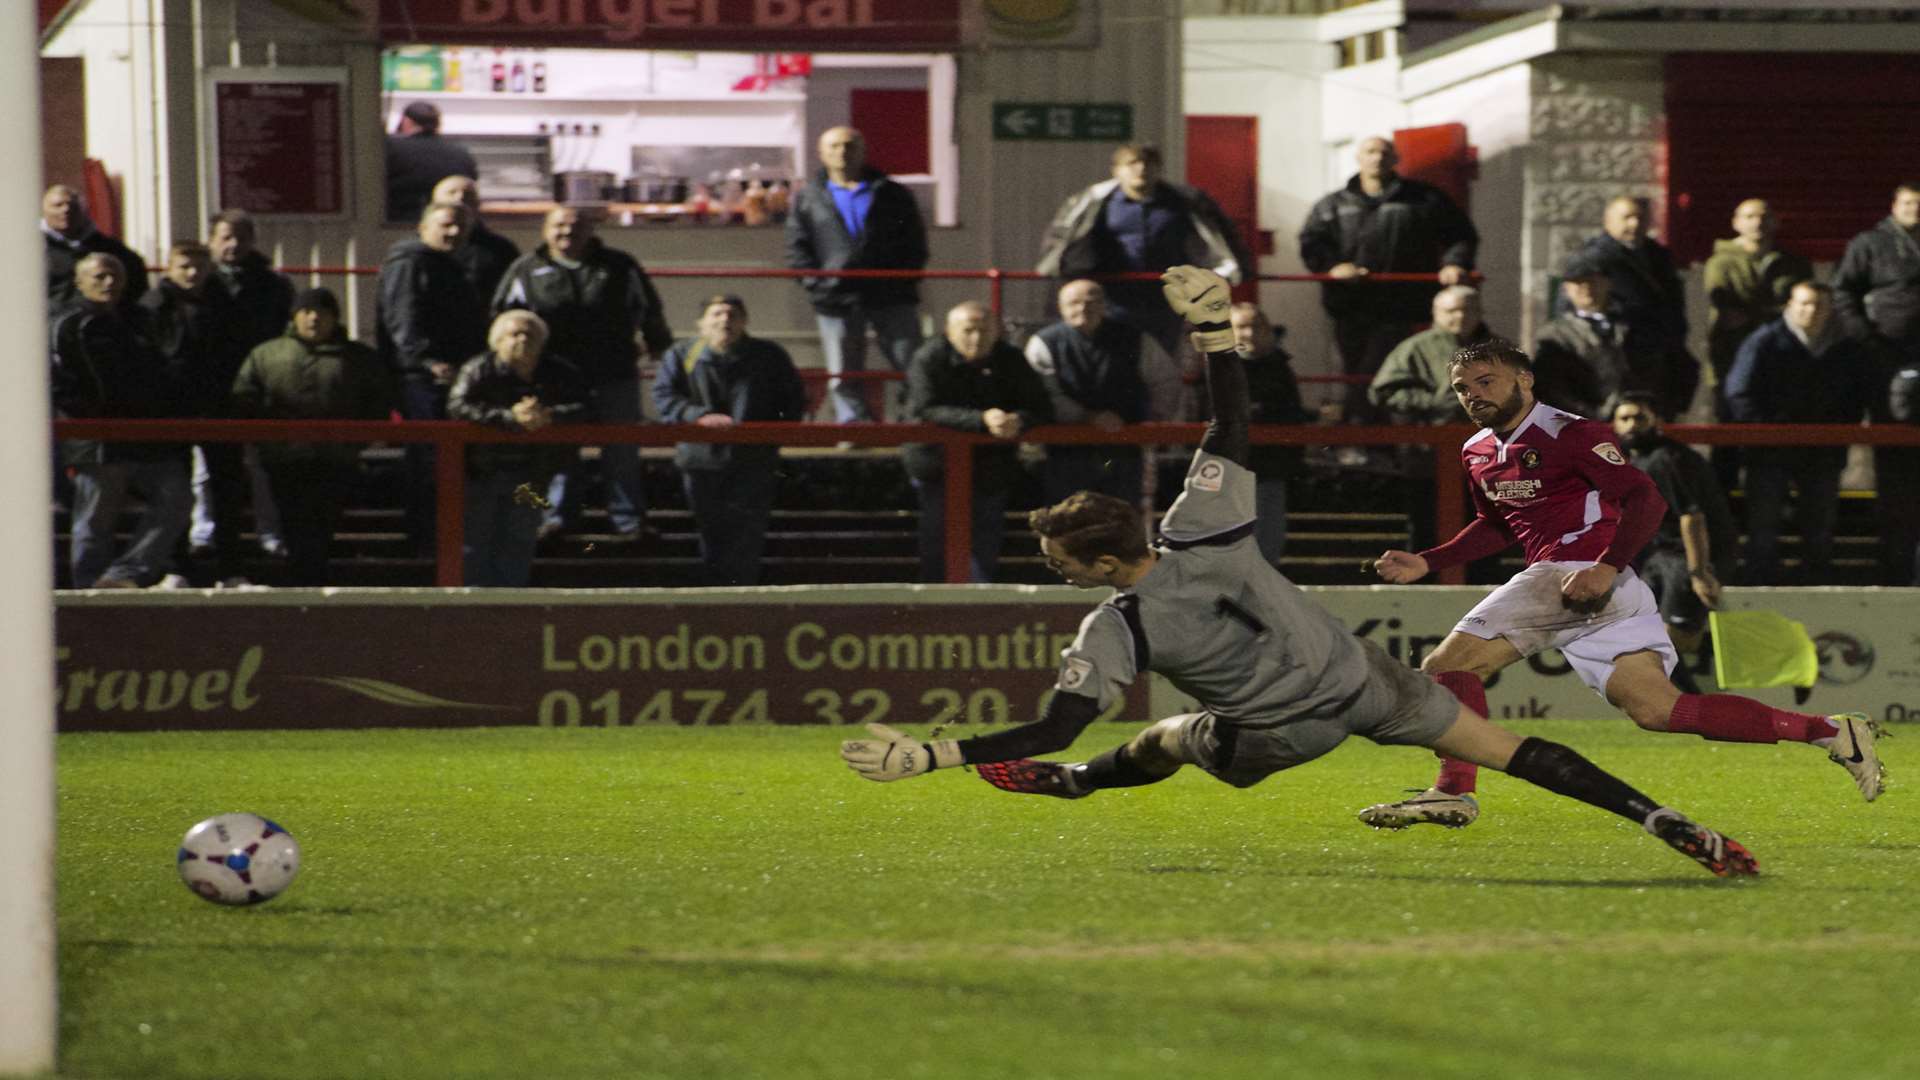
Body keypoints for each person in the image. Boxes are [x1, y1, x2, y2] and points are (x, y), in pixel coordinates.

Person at [841, 266, 1763, 880]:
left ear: (1099, 565)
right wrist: (1215, 336)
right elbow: (1231, 428)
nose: (1055, 570)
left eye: (1058, 561)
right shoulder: (1209, 526)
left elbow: (1054, 720)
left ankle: (1082, 785)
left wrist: (931, 755)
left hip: (1287, 732)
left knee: (1167, 738)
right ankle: (1666, 822)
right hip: (1363, 681)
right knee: (1515, 752)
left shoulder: (1112, 626)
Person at [1357, 338, 1883, 832]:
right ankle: (1830, 731)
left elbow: (1646, 500)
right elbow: (1498, 525)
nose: (1474, 395)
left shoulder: (1571, 432)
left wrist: (1606, 566)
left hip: (1577, 572)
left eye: (1486, 381)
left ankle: (1453, 790)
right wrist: (1430, 560)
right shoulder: (1476, 450)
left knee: (1448, 666)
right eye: (1462, 388)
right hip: (1590, 587)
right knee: (1660, 711)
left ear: (1525, 380)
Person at [494, 205, 673, 542]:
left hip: (614, 371)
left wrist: (658, 343)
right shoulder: (525, 269)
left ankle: (628, 521)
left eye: (576, 226)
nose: (567, 233)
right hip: (554, 378)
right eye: (559, 226)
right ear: (545, 230)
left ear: (591, 230)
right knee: (559, 450)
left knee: (621, 448)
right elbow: (503, 317)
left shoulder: (620, 266)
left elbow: (648, 307)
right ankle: (557, 518)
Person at [1298, 136, 1477, 424]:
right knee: (1358, 372)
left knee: (1396, 372)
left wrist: (1455, 263)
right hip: (1350, 307)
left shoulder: (1424, 199)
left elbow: (1460, 235)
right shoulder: (1331, 205)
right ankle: (1369, 445)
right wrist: (1333, 267)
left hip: (1405, 306)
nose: (1377, 158)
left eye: (1384, 152)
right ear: (1358, 158)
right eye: (1370, 152)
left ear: (1395, 159)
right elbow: (1312, 243)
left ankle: (1387, 443)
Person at [230, 288, 393, 586]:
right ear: (294, 316)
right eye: (306, 311)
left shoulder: (358, 358)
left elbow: (377, 400)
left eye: (322, 312)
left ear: (335, 318)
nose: (314, 318)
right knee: (291, 518)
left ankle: (313, 576)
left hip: (336, 457)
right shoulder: (267, 354)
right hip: (283, 457)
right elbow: (245, 397)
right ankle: (301, 577)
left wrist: (357, 440)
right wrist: (265, 435)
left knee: (325, 519)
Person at [1037, 143, 1252, 364]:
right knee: (1116, 361)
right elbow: (1063, 240)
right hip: (1113, 302)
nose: (1141, 168)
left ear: (1159, 169)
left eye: (1148, 163)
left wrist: (1234, 269)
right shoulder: (1095, 204)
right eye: (1132, 163)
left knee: (1165, 363)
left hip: (1166, 303)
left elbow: (1223, 236)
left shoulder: (1186, 202)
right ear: (1116, 170)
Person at [50, 252, 190, 589]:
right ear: (79, 282)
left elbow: (160, 371)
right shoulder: (68, 324)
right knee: (96, 518)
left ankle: (123, 574)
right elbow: (58, 381)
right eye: (99, 276)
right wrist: (90, 417)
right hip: (96, 438)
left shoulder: (139, 320)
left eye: (115, 276)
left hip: (144, 434)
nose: (109, 282)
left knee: (177, 497)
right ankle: (87, 588)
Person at [1724, 281, 1877, 586]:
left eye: (1819, 305)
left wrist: (1837, 429)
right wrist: (1765, 431)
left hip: (1823, 451)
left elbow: (1857, 396)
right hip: (1769, 452)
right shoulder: (1764, 342)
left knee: (1819, 525)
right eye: (1804, 304)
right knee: (1764, 524)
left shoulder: (1844, 349)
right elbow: (1738, 392)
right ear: (1789, 306)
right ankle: (1759, 586)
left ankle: (1816, 584)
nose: (1812, 311)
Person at [652, 295, 808, 586]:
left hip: (753, 460)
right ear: (701, 323)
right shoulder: (681, 354)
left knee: (748, 533)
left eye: (733, 314)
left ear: (745, 321)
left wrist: (770, 435)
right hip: (700, 459)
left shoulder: (768, 355)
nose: (725, 320)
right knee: (710, 531)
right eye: (717, 313)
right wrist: (698, 416)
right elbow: (664, 396)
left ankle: (741, 594)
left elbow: (792, 399)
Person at [784, 125, 928, 423]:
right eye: (834, 146)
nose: (842, 152)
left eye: (849, 145)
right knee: (843, 368)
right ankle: (854, 424)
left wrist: (905, 278)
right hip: (835, 296)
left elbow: (914, 241)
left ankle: (915, 420)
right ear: (821, 153)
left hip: (891, 293)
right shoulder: (809, 197)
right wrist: (815, 283)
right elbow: (797, 246)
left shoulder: (893, 193)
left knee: (909, 361)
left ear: (863, 151)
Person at [902, 301, 1053, 583]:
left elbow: (1040, 406)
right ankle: (935, 602)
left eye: (984, 330)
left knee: (986, 536)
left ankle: (980, 600)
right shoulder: (929, 357)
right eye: (968, 330)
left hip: (992, 467)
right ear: (949, 332)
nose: (977, 338)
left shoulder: (1010, 359)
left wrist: (1017, 420)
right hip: (936, 465)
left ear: (997, 332)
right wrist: (982, 420)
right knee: (937, 536)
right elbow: (925, 407)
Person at [447, 311, 592, 587]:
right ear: (498, 340)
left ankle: (511, 604)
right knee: (476, 541)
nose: (523, 339)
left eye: (531, 335)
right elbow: (458, 407)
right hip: (482, 470)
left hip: (532, 472)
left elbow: (584, 406)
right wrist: (509, 417)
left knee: (520, 541)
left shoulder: (559, 371)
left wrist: (548, 415)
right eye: (515, 334)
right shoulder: (478, 369)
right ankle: (472, 608)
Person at [1606, 391, 1736, 693]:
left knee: (1670, 641)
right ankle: (1691, 706)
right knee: (1640, 639)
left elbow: (1692, 517)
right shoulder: (1636, 459)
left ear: (1657, 421)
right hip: (1660, 555)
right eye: (1625, 418)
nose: (1632, 425)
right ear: (1613, 423)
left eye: (1640, 417)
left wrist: (1699, 572)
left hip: (1687, 555)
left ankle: (1698, 697)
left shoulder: (1667, 459)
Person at [378, 200, 488, 553]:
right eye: (445, 225)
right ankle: (428, 538)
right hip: (424, 380)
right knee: (429, 458)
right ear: (424, 227)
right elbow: (402, 319)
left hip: (448, 376)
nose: (454, 233)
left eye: (461, 226)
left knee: (446, 459)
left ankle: (443, 535)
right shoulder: (410, 263)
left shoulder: (445, 265)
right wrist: (426, 361)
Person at [139, 241, 247, 586]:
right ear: (169, 267)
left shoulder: (226, 306)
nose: (192, 273)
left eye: (199, 266)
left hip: (219, 407)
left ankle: (231, 568)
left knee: (228, 489)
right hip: (172, 408)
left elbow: (235, 353)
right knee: (174, 490)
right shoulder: (152, 307)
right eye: (184, 266)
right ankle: (176, 566)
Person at [1833, 182, 1920, 586]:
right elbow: (1843, 293)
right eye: (1909, 203)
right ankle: (1894, 554)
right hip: (1886, 362)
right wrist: (1867, 339)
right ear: (1894, 206)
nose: (1915, 210)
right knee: (1894, 453)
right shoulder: (1870, 243)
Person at [205, 209, 296, 561]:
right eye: (226, 237)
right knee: (212, 470)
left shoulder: (273, 285)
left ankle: (270, 534)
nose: (234, 244)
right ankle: (210, 534)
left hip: (261, 382)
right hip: (213, 386)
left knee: (264, 467)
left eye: (241, 237)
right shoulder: (202, 283)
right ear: (212, 240)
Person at [1561, 195, 1698, 417]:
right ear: (1608, 221)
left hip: (1660, 361)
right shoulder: (1593, 258)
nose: (1634, 224)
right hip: (1620, 359)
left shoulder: (1658, 255)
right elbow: (1572, 309)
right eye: (1627, 218)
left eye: (1640, 218)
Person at [1024, 279, 1148, 504]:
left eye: (1091, 302)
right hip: (1066, 451)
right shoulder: (1043, 343)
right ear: (1061, 307)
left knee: (1121, 519)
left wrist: (1150, 422)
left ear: (1104, 305)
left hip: (1123, 447)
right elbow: (1043, 393)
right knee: (1068, 520)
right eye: (1074, 303)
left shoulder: (1134, 338)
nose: (1083, 308)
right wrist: (1086, 417)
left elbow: (1164, 381)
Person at [1532, 250, 1684, 420]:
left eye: (1593, 280)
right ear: (1566, 288)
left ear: (1608, 283)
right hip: (1584, 427)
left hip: (1644, 421)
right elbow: (1552, 389)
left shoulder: (1639, 325)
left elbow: (1670, 369)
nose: (1586, 287)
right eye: (1578, 282)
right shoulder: (1554, 336)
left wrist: (1660, 409)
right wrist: (1593, 417)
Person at [1225, 303, 1312, 566]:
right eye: (1241, 327)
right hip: (1230, 470)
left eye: (1256, 326)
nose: (1249, 334)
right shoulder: (1219, 367)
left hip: (1271, 468)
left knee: (1268, 540)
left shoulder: (1279, 366)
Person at [42, 184, 147, 318]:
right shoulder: (30, 251)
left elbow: (137, 287)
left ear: (84, 210)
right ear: (44, 211)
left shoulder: (113, 250)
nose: (66, 210)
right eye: (58, 205)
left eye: (73, 205)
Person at [385, 101, 478, 224]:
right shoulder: (460, 152)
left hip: (398, 224)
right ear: (438, 124)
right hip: (451, 222)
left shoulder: (391, 148)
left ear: (406, 121)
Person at [433, 175, 520, 304]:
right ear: (434, 201)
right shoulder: (417, 252)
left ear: (478, 203)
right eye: (451, 192)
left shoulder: (500, 249)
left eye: (467, 194)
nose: (460, 198)